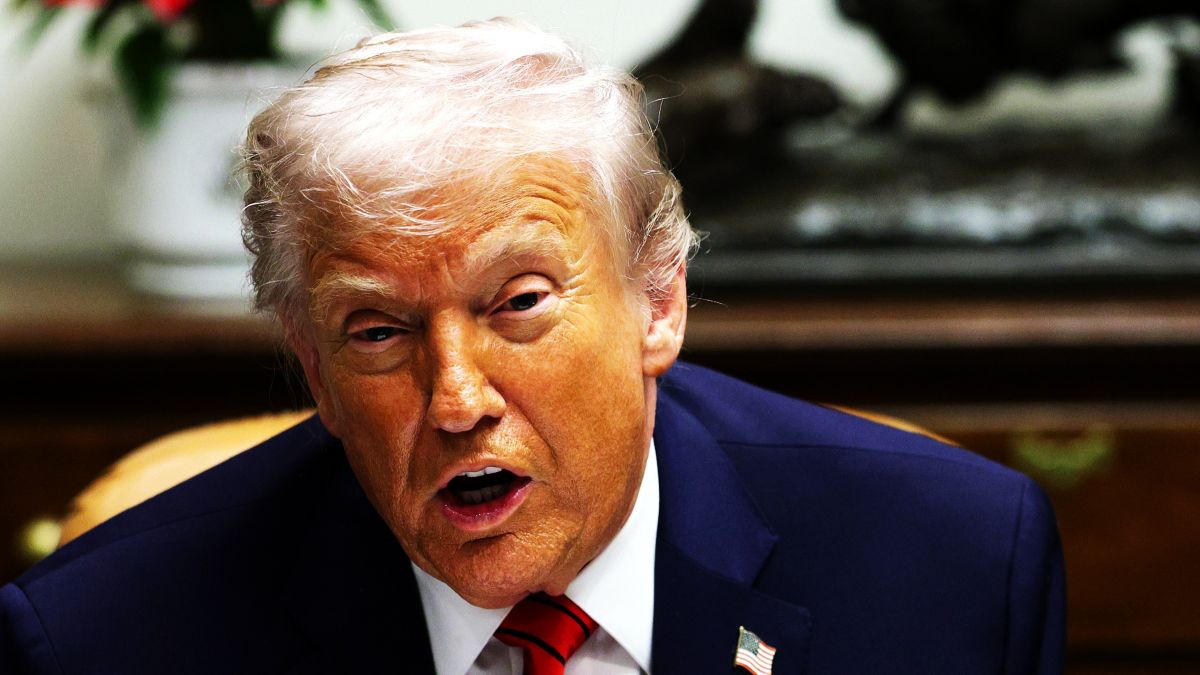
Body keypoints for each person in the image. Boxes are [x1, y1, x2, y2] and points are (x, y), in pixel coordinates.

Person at [0, 17, 1064, 675]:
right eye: (378, 330)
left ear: (658, 302)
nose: (457, 398)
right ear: (314, 368)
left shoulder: (956, 568)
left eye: (517, 304)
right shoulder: (105, 639)